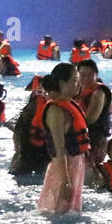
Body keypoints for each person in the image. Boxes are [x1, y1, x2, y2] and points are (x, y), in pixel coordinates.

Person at [37, 63, 90, 214]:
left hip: (75, 165)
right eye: (75, 80)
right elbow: (59, 149)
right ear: (62, 83)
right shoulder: (56, 110)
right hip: (64, 168)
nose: (79, 84)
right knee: (57, 212)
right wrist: (65, 180)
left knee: (70, 210)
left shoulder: (69, 104)